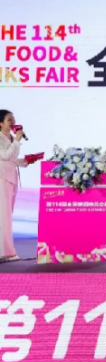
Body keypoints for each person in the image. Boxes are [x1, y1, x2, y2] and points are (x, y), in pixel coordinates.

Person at [0, 110, 39, 262]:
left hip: (10, 178)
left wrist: (25, 161)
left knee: (6, 216)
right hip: (2, 178)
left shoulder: (10, 137)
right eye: (9, 119)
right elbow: (5, 156)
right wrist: (17, 140)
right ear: (0, 123)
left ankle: (4, 251)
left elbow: (12, 159)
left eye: (13, 119)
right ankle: (7, 253)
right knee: (4, 217)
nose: (13, 122)